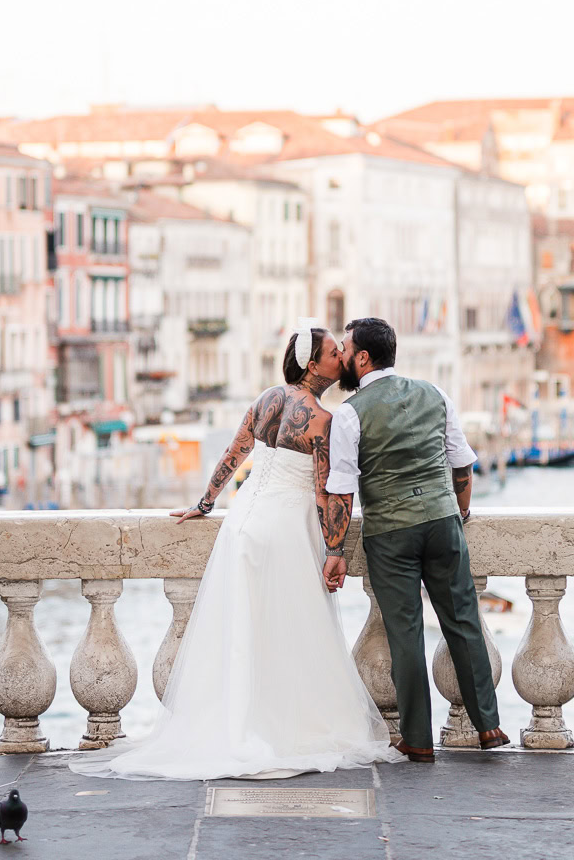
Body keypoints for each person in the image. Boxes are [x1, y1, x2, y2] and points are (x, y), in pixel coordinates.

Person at [76, 320, 400, 781]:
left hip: (242, 523)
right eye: (334, 353)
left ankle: (235, 722)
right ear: (314, 364)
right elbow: (327, 494)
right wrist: (335, 550)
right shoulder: (323, 420)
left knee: (242, 627)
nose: (341, 358)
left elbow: (235, 452)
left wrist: (205, 503)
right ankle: (280, 724)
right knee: (290, 628)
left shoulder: (266, 399)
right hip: (286, 527)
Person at [321, 317, 508, 762]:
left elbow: (342, 490)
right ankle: (489, 725)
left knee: (405, 634)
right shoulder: (434, 393)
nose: (343, 357)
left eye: (346, 350)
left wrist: (335, 550)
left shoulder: (349, 413)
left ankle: (419, 739)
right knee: (464, 621)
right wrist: (458, 511)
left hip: (390, 533)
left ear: (362, 358)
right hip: (443, 521)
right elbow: (461, 464)